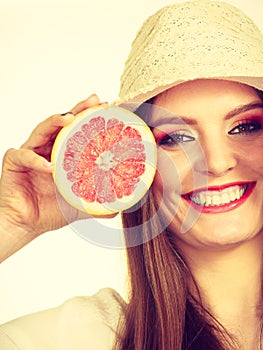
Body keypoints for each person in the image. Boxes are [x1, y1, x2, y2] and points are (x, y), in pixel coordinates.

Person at [1, 0, 263, 349]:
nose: (215, 163)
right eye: (175, 138)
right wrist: (12, 222)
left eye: (245, 126)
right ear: (137, 164)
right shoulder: (74, 338)